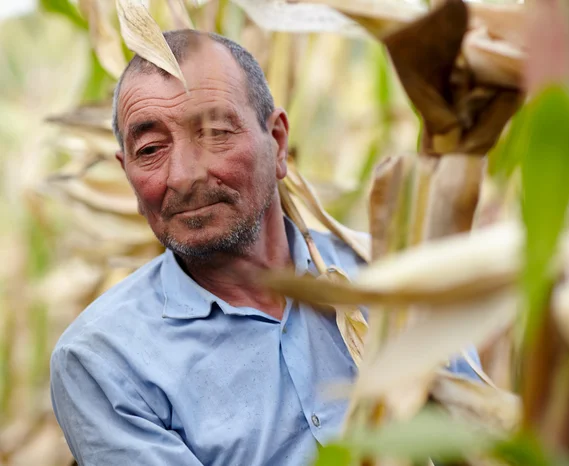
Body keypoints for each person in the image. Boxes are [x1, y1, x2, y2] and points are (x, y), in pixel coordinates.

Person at [50, 30, 481, 466]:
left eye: (215, 132)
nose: (182, 175)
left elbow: (479, 442)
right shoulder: (102, 359)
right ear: (127, 173)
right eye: (151, 149)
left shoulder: (400, 279)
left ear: (277, 142)